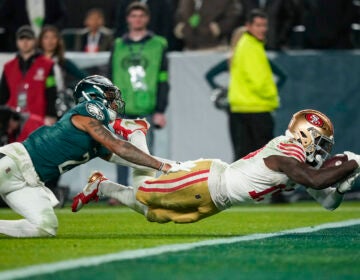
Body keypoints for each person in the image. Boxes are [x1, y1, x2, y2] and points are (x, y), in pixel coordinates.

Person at [73, 109, 360, 224]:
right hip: (208, 181)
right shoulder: (288, 152)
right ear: (305, 135)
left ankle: (102, 186)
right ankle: (137, 132)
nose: (321, 151)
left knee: (156, 215)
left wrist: (343, 186)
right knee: (145, 191)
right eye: (320, 143)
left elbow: (326, 200)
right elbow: (317, 181)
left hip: (219, 198)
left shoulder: (298, 161)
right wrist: (353, 164)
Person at [0, 75, 192, 238]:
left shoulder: (99, 140)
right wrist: (163, 167)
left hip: (27, 181)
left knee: (46, 227)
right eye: (109, 95)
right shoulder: (89, 108)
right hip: (13, 162)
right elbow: (119, 145)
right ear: (92, 95)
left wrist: (177, 165)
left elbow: (133, 158)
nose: (114, 101)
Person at [109, 2, 170, 195]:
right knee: (119, 149)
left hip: (147, 106)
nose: (137, 19)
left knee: (145, 152)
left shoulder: (158, 44)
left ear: (147, 19)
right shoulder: (118, 45)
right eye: (134, 16)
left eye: (141, 16)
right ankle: (122, 189)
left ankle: (144, 189)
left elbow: (163, 78)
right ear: (128, 19)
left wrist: (161, 109)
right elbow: (110, 77)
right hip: (122, 107)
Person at [228, 9, 279, 161]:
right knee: (263, 160)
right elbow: (258, 80)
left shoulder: (246, 44)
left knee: (244, 158)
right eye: (258, 25)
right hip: (256, 108)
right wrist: (272, 97)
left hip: (242, 107)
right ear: (248, 26)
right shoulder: (250, 46)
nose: (263, 29)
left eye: (264, 25)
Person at [0, 25, 58, 129]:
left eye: (28, 39)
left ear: (34, 41)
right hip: (13, 123)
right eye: (22, 39)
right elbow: (3, 95)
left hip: (38, 120)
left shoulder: (47, 65)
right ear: (17, 41)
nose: (25, 42)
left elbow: (51, 91)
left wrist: (51, 114)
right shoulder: (8, 67)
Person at [38, 25, 88, 117]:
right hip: (38, 103)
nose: (50, 41)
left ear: (58, 41)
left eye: (54, 37)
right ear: (40, 40)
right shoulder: (35, 61)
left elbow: (84, 76)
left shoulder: (62, 61)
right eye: (46, 37)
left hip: (58, 105)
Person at [0, 0, 67, 52]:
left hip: (48, 50)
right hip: (19, 49)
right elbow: (4, 19)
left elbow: (63, 18)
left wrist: (50, 33)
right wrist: (21, 33)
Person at [174, 0, 241, 50]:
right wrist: (180, 28)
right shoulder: (185, 1)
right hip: (189, 48)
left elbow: (234, 13)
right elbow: (179, 15)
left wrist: (220, 28)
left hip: (215, 47)